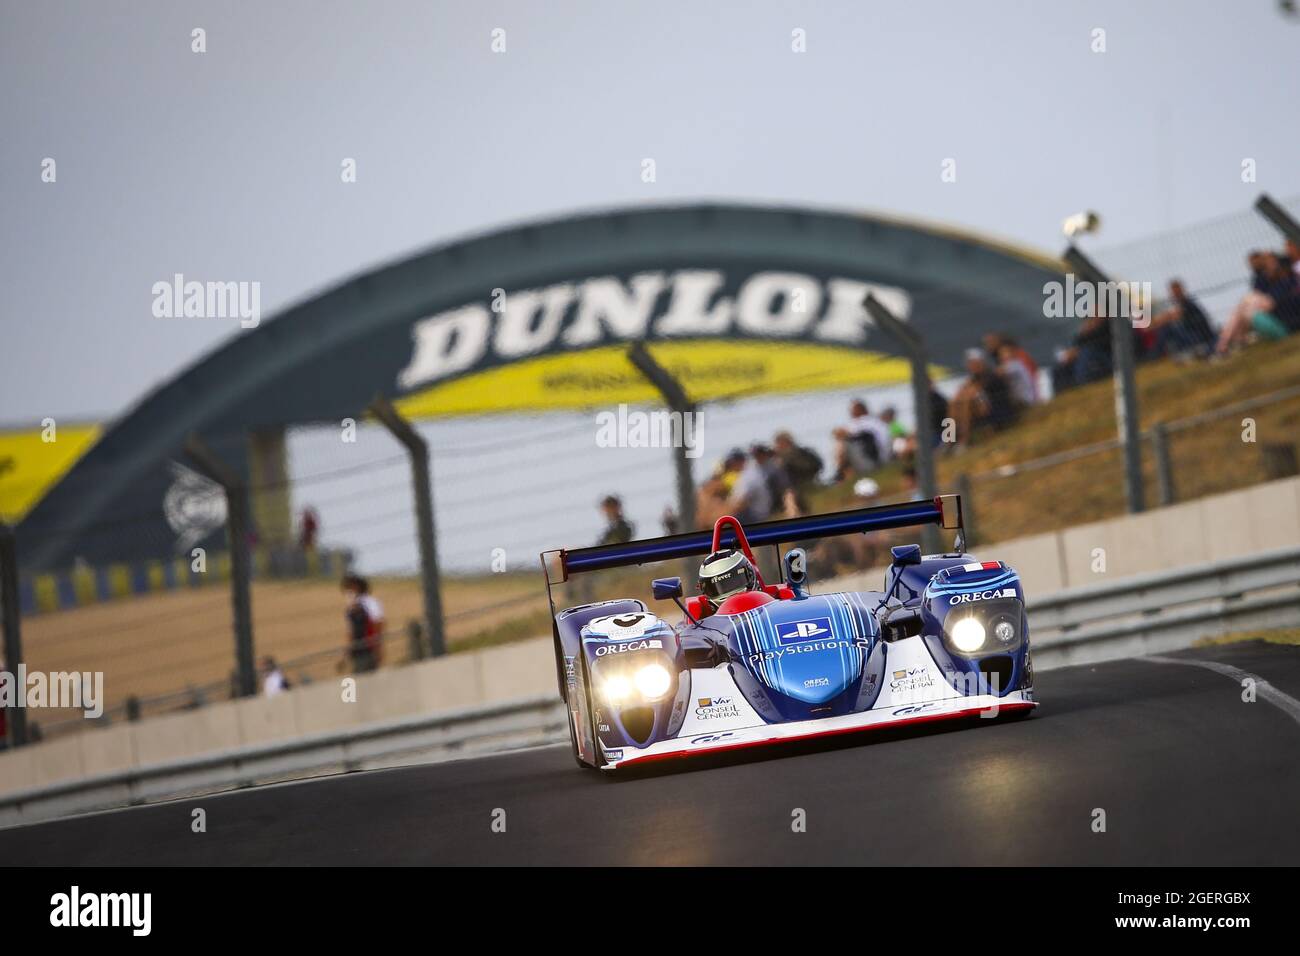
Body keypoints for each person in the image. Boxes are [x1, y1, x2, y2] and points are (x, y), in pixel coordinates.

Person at [1217, 252, 1300, 353]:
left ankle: (1226, 343)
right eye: (1267, 264)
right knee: (1246, 307)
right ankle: (1228, 342)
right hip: (1282, 323)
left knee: (1247, 307)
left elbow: (1272, 303)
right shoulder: (1270, 282)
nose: (1268, 268)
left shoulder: (1288, 282)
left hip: (1287, 329)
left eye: (1271, 263)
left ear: (1280, 266)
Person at [950, 349, 1017, 446]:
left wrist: (964, 393)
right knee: (952, 404)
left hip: (1000, 411)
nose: (971, 366)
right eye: (969, 363)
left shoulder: (990, 375)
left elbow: (973, 393)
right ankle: (949, 439)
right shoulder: (974, 378)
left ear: (981, 363)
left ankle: (963, 441)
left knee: (966, 404)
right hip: (987, 409)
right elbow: (960, 394)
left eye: (973, 363)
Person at [1149, 279, 1215, 358]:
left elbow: (1171, 316)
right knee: (1167, 327)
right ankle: (1156, 352)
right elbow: (1168, 315)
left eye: (1175, 291)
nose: (1174, 294)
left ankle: (1155, 353)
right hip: (1195, 336)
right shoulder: (1183, 303)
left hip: (1200, 337)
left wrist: (1152, 325)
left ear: (1181, 290)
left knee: (1170, 327)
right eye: (1172, 291)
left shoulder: (1187, 303)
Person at [832, 399, 891, 479]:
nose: (850, 414)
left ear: (859, 410)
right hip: (885, 460)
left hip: (871, 464)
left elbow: (839, 433)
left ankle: (838, 474)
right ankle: (842, 474)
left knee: (841, 443)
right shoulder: (878, 422)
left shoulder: (860, 422)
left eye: (852, 411)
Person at [341, 575, 382, 673]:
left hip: (368, 650)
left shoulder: (370, 602)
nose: (348, 592)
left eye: (350, 588)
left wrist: (377, 649)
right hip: (357, 652)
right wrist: (346, 656)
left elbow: (378, 625)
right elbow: (350, 633)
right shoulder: (349, 610)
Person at [773, 430, 823, 510]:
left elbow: (805, 466)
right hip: (794, 488)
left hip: (802, 486)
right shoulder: (781, 456)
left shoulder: (795, 453)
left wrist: (785, 462)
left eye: (779, 443)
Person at [725, 448, 774, 523]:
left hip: (756, 516)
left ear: (737, 461)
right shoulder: (751, 470)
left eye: (732, 463)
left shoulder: (749, 475)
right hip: (756, 513)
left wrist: (724, 512)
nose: (731, 466)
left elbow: (740, 503)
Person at [751, 443, 798, 518]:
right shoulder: (751, 469)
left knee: (788, 495)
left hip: (775, 498)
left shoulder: (775, 467)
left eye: (761, 454)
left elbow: (786, 488)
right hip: (759, 502)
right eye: (757, 455)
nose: (759, 456)